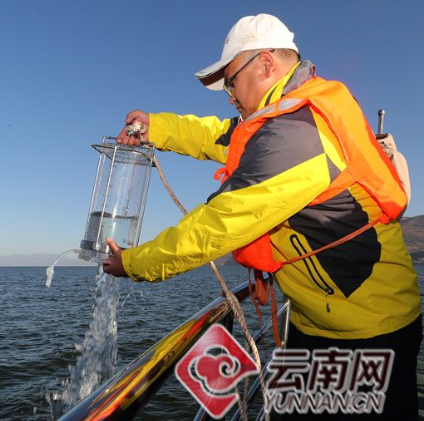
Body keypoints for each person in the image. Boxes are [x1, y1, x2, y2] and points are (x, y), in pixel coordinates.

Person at [102, 13, 421, 419]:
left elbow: (216, 225)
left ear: (266, 64)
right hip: (317, 324)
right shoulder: (284, 117)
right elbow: (217, 135)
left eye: (231, 82)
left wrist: (133, 263)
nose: (230, 96)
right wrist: (157, 127)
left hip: (369, 332)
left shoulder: (296, 134)